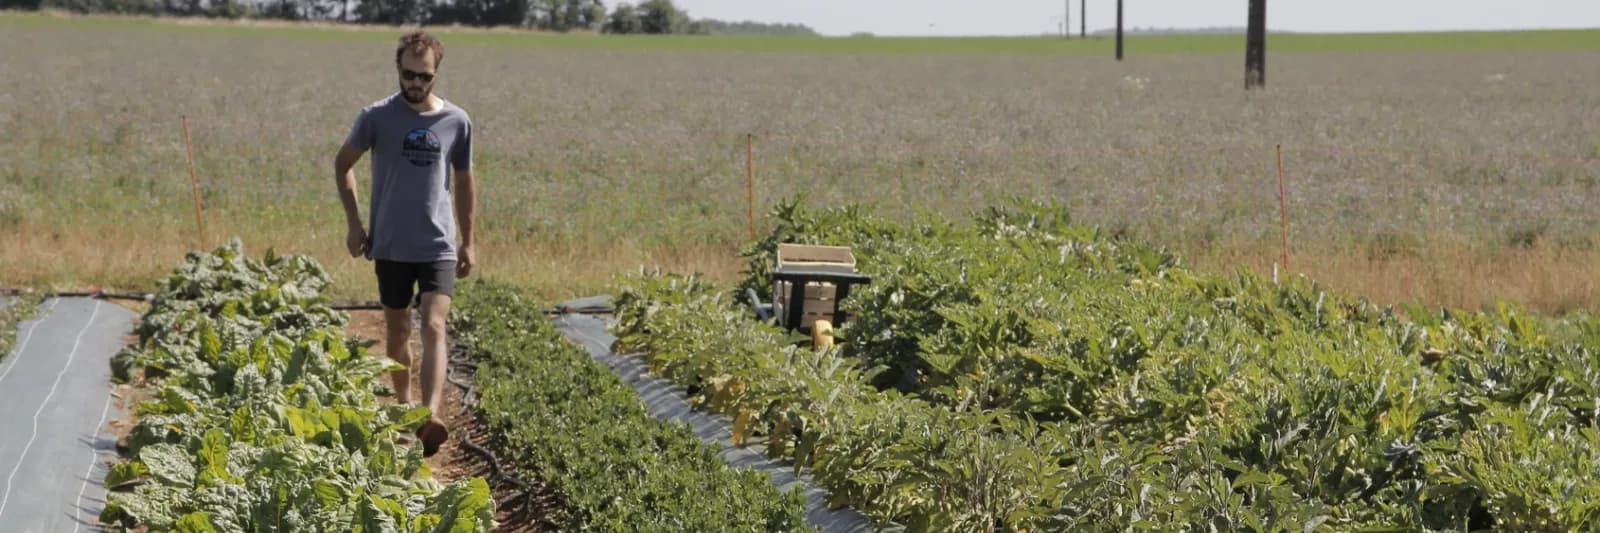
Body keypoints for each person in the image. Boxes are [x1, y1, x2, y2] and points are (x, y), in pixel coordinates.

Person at [333, 30, 476, 458]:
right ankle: (405, 408)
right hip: (391, 244)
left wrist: (469, 242)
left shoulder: (457, 122)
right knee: (397, 332)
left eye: (425, 77)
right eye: (410, 75)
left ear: (436, 74)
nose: (416, 83)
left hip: (437, 244)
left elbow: (466, 184)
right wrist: (354, 223)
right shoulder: (376, 117)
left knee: (434, 324)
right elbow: (343, 165)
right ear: (398, 69)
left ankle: (431, 414)